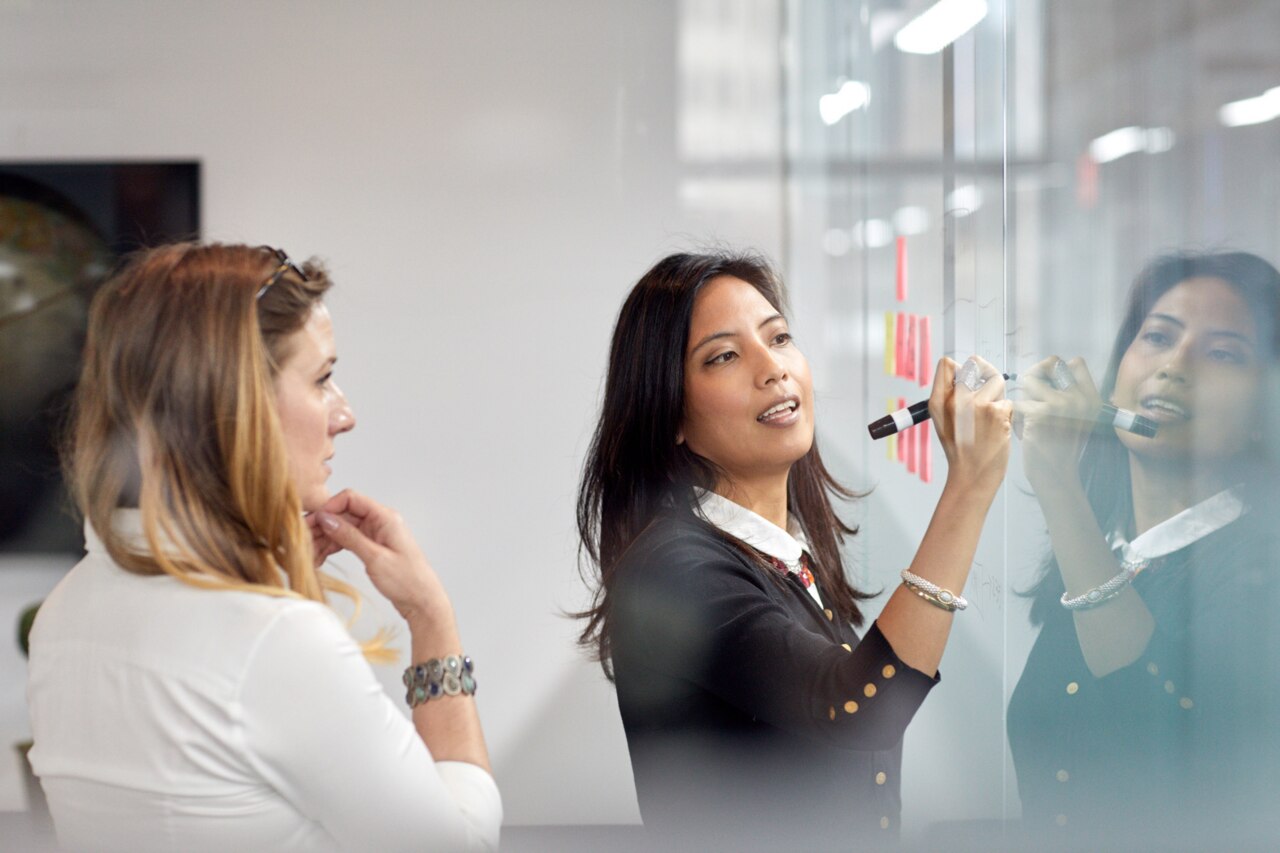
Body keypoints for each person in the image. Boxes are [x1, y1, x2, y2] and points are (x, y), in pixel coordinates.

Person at [26, 243, 501, 852]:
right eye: (323, 379)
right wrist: (432, 618)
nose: (345, 414)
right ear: (236, 402)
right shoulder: (273, 640)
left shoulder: (65, 614)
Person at [575, 251, 1012, 849]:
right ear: (670, 411)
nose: (772, 368)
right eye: (724, 356)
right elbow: (862, 706)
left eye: (779, 338)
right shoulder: (674, 568)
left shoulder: (783, 557)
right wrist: (969, 485)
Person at [1007, 251, 1280, 850]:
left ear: (1264, 408)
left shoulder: (1265, 575)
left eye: (1223, 353)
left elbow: (1146, 740)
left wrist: (1057, 482)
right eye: (1157, 336)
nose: (1175, 366)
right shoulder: (1112, 550)